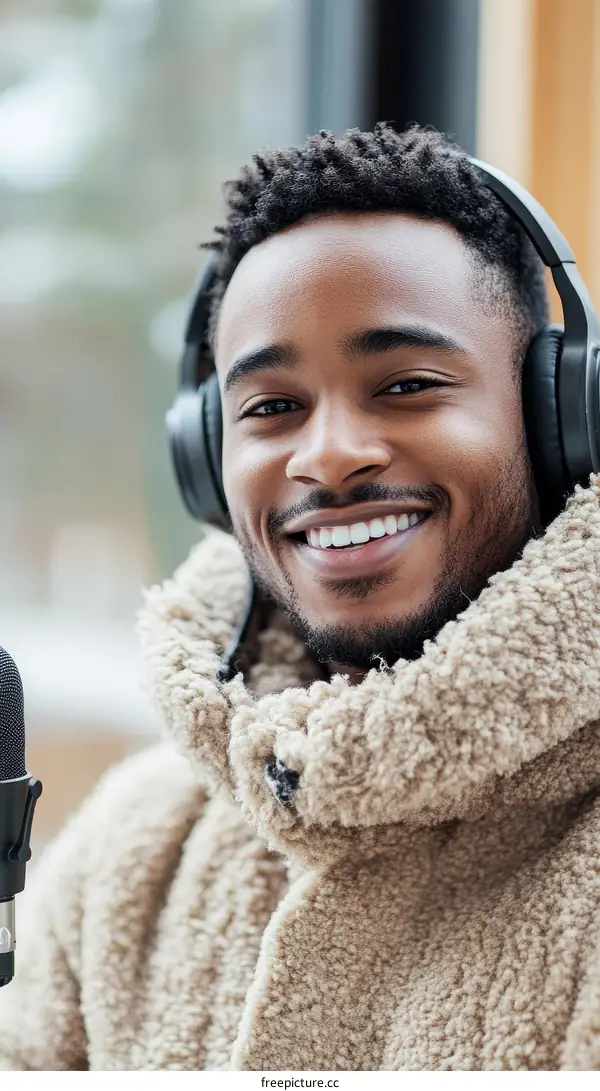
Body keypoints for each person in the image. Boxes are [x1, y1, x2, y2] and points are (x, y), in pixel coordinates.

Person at [2, 122, 600, 1072]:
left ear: (558, 415)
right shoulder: (125, 855)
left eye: (406, 383)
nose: (325, 456)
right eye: (272, 408)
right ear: (207, 462)